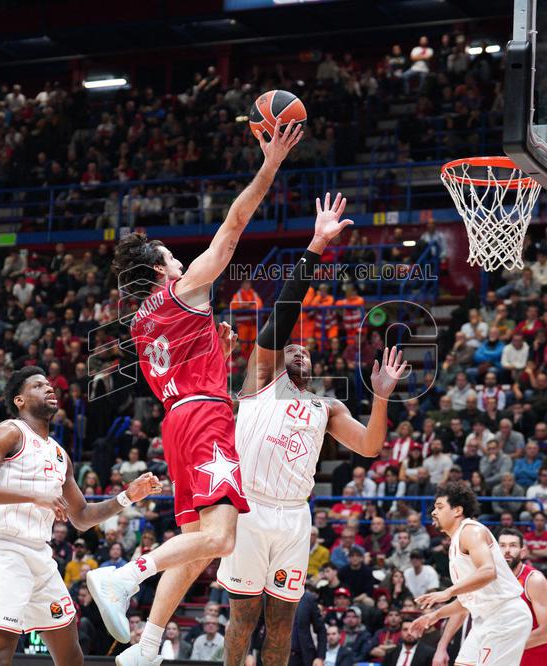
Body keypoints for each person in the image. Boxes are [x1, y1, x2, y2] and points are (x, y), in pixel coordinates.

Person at [95, 120, 301, 666]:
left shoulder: (140, 319)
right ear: (161, 272)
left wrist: (218, 348)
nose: (181, 260)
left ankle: (146, 645)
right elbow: (233, 227)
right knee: (223, 538)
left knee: (194, 543)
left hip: (181, 419)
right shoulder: (182, 290)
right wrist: (270, 164)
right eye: (171, 257)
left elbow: (186, 369)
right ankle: (124, 577)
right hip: (204, 421)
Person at [219, 195, 405, 666]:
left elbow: (369, 446)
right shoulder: (262, 379)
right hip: (250, 507)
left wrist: (381, 396)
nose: (298, 353)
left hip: (295, 516)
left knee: (283, 622)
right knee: (243, 618)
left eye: (306, 352)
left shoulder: (327, 404)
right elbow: (283, 310)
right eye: (291, 348)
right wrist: (316, 246)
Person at [0, 367, 162, 666]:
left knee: (71, 657)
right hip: (4, 552)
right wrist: (33, 496)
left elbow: (80, 516)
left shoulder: (59, 454)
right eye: (38, 386)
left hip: (41, 555)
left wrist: (127, 496)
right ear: (19, 400)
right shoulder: (10, 431)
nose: (49, 388)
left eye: (49, 384)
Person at [411, 481, 532, 665]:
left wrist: (448, 591)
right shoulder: (456, 542)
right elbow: (469, 600)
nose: (433, 512)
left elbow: (488, 571)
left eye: (439, 507)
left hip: (505, 616)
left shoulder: (471, 531)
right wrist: (434, 615)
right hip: (484, 618)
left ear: (457, 511)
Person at [497, 528, 547, 666]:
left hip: (534, 657)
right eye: (502, 545)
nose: (507, 550)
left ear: (523, 552)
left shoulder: (534, 580)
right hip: (505, 657)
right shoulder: (491, 579)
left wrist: (505, 647)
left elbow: (546, 632)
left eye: (513, 545)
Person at [289, 589, 327, 666]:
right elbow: (260, 623)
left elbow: (321, 629)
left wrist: (320, 657)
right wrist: (256, 651)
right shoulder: (272, 596)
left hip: (302, 657)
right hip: (276, 654)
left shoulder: (308, 599)